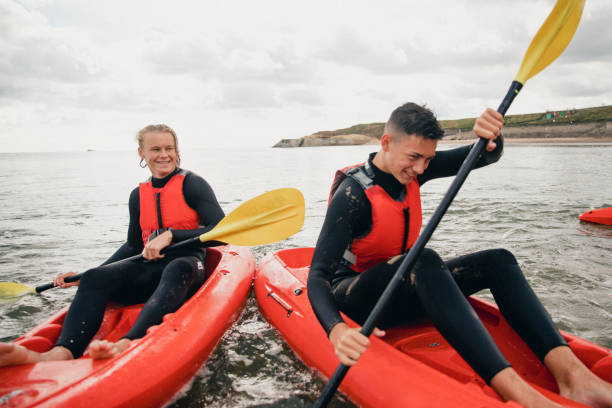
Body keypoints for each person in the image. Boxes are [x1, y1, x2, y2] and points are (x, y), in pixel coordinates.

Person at [307, 103, 612, 408]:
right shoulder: (352, 194)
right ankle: (521, 395)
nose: (421, 169)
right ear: (386, 143)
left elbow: (484, 154)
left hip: (400, 285)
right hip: (357, 299)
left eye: (428, 159)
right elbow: (318, 276)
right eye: (414, 158)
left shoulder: (412, 169)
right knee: (423, 259)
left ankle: (574, 379)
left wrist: (493, 134)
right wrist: (337, 330)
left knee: (499, 260)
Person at [0, 124, 224, 364]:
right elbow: (132, 246)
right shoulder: (138, 195)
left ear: (176, 150)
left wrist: (171, 235)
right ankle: (61, 352)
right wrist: (83, 276)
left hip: (186, 271)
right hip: (150, 274)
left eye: (169, 148)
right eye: (155, 149)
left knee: (176, 266)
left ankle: (127, 343)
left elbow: (222, 232)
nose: (164, 155)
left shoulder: (193, 183)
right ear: (142, 153)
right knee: (95, 277)